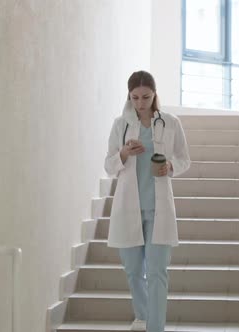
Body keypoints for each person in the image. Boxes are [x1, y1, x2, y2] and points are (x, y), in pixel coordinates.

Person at [104, 70, 191, 332]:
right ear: (129, 96)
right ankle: (142, 315)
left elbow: (184, 159)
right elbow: (109, 166)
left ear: (154, 94)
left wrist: (170, 167)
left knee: (157, 272)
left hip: (158, 209)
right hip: (128, 208)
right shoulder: (121, 124)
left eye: (146, 97)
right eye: (135, 98)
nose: (140, 103)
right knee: (132, 271)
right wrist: (123, 153)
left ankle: (155, 327)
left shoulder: (171, 122)